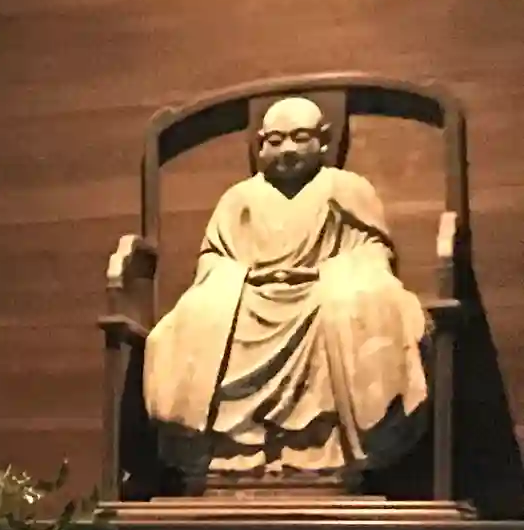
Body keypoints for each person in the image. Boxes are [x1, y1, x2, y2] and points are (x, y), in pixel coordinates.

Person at [143, 95, 429, 484]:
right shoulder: (239, 198)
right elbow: (213, 259)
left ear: (323, 141)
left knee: (362, 305)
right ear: (260, 145)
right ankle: (235, 453)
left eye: (300, 137)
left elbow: (373, 250)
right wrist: (241, 280)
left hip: (321, 295)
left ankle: (322, 449)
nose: (288, 150)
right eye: (275, 141)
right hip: (248, 297)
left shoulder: (346, 189)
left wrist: (334, 275)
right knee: (190, 321)